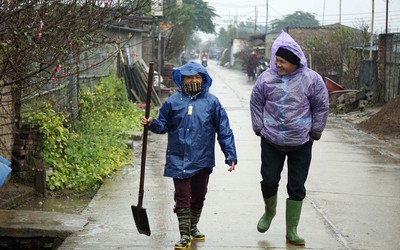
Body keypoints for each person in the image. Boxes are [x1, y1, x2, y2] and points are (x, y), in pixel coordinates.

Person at [140, 61, 237, 249]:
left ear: (204, 79)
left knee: (199, 196)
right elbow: (163, 125)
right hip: (178, 158)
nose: (193, 80)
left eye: (197, 77)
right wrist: (152, 123)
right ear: (181, 80)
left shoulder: (212, 102)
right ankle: (184, 234)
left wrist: (230, 154)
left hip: (203, 159)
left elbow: (224, 130)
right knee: (182, 196)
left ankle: (192, 226)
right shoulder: (172, 102)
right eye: (189, 77)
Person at [249, 31, 329, 246]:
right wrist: (258, 127)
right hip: (271, 139)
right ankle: (269, 212)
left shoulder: (312, 80)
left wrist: (315, 132)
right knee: (269, 180)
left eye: (283, 62)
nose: (279, 65)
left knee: (296, 186)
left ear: (295, 62)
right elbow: (256, 102)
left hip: (301, 141)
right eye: (277, 60)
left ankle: (291, 230)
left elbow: (321, 106)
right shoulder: (266, 78)